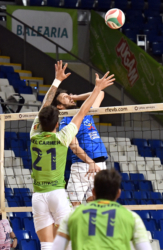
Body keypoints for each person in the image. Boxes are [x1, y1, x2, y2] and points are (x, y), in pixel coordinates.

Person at [30, 60, 115, 250]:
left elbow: (46, 106)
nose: (68, 97)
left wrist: (63, 88)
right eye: (65, 97)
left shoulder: (34, 135)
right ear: (57, 115)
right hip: (64, 184)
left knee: (48, 243)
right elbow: (83, 111)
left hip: (39, 195)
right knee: (68, 237)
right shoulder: (64, 133)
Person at [52, 169, 152, 250]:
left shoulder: (73, 215)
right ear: (118, 193)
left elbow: (57, 247)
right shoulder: (132, 217)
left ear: (93, 192)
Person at [53, 89, 108, 208]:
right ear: (60, 106)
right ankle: (77, 226)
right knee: (75, 205)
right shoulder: (65, 123)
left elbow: (100, 93)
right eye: (64, 97)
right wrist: (90, 162)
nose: (68, 97)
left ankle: (93, 227)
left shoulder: (85, 112)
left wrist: (76, 96)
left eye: (68, 95)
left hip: (100, 165)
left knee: (96, 204)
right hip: (81, 165)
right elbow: (74, 147)